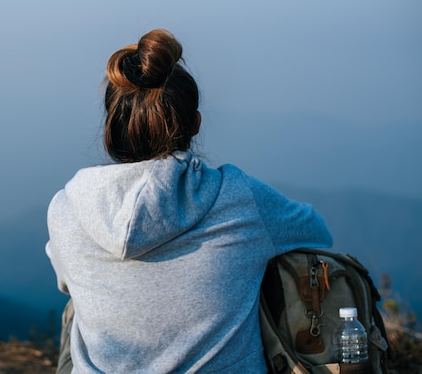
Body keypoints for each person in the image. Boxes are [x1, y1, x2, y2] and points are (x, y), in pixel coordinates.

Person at [45, 29, 333, 373]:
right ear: (195, 124)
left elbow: (65, 280)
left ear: (112, 128)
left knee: (76, 308)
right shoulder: (240, 198)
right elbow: (317, 232)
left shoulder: (67, 209)